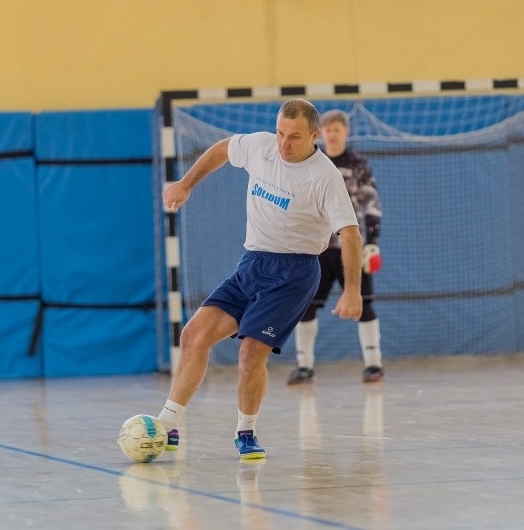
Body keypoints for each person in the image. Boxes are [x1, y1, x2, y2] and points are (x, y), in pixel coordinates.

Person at [156, 99, 363, 461]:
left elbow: (350, 232)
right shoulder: (261, 146)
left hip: (294, 273)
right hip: (252, 263)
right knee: (193, 336)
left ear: (315, 136)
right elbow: (222, 150)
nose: (284, 143)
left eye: (295, 137)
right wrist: (186, 184)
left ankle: (246, 432)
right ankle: (166, 425)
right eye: (281, 132)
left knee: (251, 351)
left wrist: (352, 290)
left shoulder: (324, 176)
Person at [287, 109, 385, 385]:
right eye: (328, 130)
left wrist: (373, 242)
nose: (332, 134)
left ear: (346, 132)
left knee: (363, 303)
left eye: (337, 130)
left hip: (350, 246)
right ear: (320, 133)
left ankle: (373, 364)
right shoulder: (309, 163)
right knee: (305, 305)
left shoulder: (357, 164)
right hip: (316, 248)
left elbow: (371, 201)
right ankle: (304, 366)